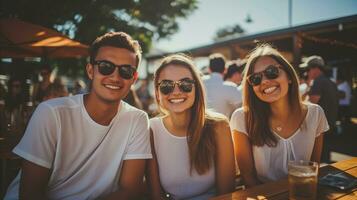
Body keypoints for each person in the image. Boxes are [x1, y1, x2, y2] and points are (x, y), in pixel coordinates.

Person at [4, 32, 152, 200]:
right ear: (90, 70)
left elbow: (130, 190)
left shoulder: (137, 119)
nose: (115, 76)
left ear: (133, 78)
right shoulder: (52, 113)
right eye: (105, 66)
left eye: (125, 70)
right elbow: (30, 194)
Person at [230, 44, 328, 187]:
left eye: (271, 71)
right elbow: (249, 178)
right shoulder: (242, 119)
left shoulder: (315, 114)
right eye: (255, 79)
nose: (264, 81)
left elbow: (313, 170)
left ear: (289, 76)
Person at [147, 54, 235, 199]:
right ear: (157, 93)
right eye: (166, 86)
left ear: (197, 89)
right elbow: (157, 196)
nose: (176, 92)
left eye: (185, 84)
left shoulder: (219, 126)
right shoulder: (150, 130)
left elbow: (225, 193)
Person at [300, 55, 338, 163]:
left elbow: (309, 106)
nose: (307, 72)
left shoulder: (318, 82)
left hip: (320, 128)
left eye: (308, 69)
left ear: (316, 68)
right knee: (325, 160)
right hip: (330, 125)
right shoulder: (330, 82)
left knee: (316, 162)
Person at [203, 53, 242, 118]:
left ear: (209, 69)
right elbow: (241, 106)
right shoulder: (230, 88)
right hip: (223, 125)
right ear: (225, 69)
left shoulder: (200, 83)